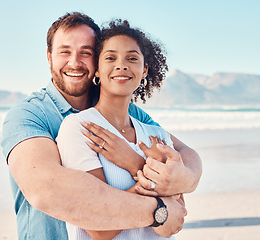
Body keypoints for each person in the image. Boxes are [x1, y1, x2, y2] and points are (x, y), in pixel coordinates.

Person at [1, 12, 202, 239]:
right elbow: (46, 190)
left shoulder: (131, 114)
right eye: (64, 51)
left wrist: (182, 178)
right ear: (49, 57)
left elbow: (185, 154)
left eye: (85, 52)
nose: (74, 62)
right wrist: (159, 210)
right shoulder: (29, 114)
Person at [56, 19, 184, 240]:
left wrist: (134, 164)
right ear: (97, 69)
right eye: (110, 58)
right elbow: (99, 229)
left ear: (144, 70)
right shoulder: (79, 129)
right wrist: (152, 182)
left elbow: (173, 223)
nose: (122, 65)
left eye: (132, 58)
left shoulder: (159, 136)